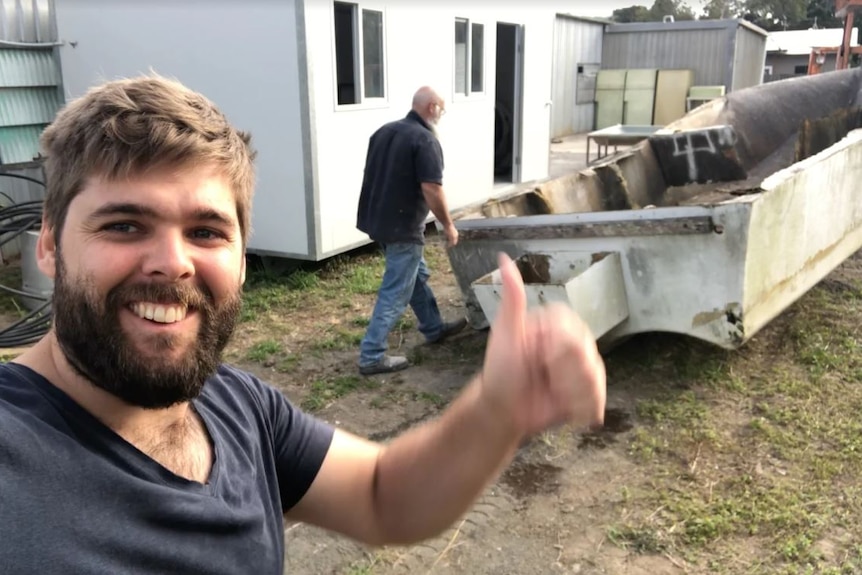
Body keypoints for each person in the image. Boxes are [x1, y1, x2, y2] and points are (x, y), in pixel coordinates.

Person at [0, 75, 607, 574]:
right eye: (124, 225)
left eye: (206, 232)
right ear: (49, 248)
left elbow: (382, 497)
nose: (173, 262)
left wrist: (495, 410)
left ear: (241, 259)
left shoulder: (240, 407)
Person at [356, 86, 465, 376]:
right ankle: (371, 355)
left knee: (415, 277)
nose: (441, 114)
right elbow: (431, 188)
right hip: (403, 227)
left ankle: (433, 327)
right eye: (441, 108)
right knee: (396, 291)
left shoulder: (384, 132)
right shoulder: (425, 140)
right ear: (431, 107)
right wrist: (449, 225)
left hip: (378, 221)